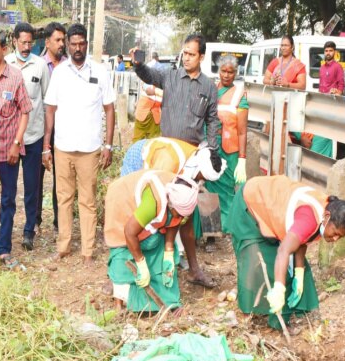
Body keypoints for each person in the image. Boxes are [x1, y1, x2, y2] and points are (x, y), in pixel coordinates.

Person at [132, 33, 221, 288]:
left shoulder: (208, 87)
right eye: (185, 53)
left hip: (191, 158)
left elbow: (213, 120)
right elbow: (149, 76)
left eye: (192, 54)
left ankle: (193, 269)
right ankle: (155, 265)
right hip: (165, 155)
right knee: (158, 208)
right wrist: (138, 65)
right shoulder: (170, 76)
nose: (187, 58)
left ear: (201, 57)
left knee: (186, 213)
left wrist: (212, 149)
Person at [229, 175, 345, 331]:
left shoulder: (325, 212)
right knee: (259, 262)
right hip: (250, 205)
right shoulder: (310, 217)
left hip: (271, 208)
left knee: (292, 270)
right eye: (335, 232)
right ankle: (251, 314)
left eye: (340, 237)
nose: (335, 239)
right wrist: (279, 288)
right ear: (327, 217)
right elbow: (284, 250)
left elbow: (302, 240)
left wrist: (299, 272)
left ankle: (283, 317)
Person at [43, 23, 116, 265]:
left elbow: (109, 109)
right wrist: (47, 146)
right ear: (67, 45)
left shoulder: (100, 72)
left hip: (90, 150)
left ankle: (87, 250)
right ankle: (63, 247)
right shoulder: (60, 73)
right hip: (63, 148)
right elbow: (50, 110)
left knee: (87, 201)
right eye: (72, 44)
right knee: (63, 198)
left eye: (81, 44)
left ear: (86, 44)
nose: (77, 48)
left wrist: (108, 146)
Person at [104, 170, 199, 312]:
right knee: (122, 252)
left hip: (147, 212)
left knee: (159, 248)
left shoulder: (182, 193)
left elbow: (174, 221)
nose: (181, 219)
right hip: (122, 202)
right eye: (179, 214)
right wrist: (141, 263)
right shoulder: (152, 203)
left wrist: (168, 252)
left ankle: (167, 300)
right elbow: (129, 233)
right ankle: (119, 302)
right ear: (171, 206)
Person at [0, 30, 32, 268]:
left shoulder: (16, 77)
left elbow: (25, 111)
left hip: (9, 150)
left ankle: (3, 249)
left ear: (4, 50)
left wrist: (17, 143)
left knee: (8, 201)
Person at [5, 22, 50, 251]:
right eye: (22, 42)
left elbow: (46, 104)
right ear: (14, 40)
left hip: (33, 136)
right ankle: (5, 228)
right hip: (10, 140)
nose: (26, 46)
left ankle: (29, 230)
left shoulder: (40, 65)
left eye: (29, 43)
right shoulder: (6, 64)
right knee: (9, 189)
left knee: (32, 187)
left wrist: (45, 143)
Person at [209, 54, 248, 232]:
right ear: (218, 72)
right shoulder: (211, 89)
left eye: (230, 72)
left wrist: (242, 158)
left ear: (235, 73)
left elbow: (242, 131)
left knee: (227, 191)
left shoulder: (240, 94)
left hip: (230, 150)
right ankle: (211, 229)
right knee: (209, 189)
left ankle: (228, 227)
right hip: (210, 147)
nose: (226, 75)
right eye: (223, 71)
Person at [38, 21, 67, 232]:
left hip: (64, 131)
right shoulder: (37, 65)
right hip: (41, 129)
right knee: (36, 177)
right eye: (57, 40)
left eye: (63, 40)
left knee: (62, 177)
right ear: (47, 42)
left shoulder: (69, 67)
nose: (62, 44)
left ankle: (59, 222)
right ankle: (35, 221)